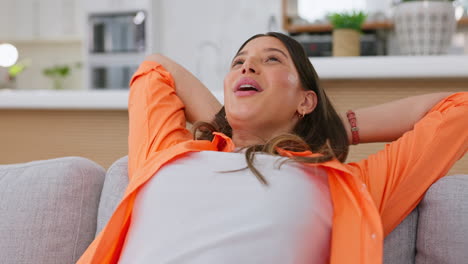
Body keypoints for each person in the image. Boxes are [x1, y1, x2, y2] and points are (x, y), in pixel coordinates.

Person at [78, 32, 467, 264]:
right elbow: (156, 68)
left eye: (271, 59)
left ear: (306, 100)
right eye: (239, 62)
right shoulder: (170, 153)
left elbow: (459, 109)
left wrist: (334, 129)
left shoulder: (344, 185)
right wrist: (232, 119)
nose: (247, 68)